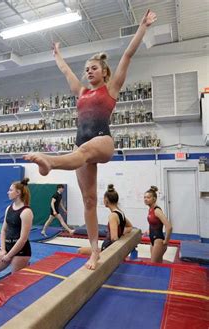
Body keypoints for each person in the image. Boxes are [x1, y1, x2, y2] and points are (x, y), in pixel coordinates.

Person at [24, 10, 157, 270]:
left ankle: (50, 163)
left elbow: (128, 55)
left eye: (93, 68)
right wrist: (57, 55)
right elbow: (65, 72)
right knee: (89, 201)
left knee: (82, 151)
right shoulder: (81, 91)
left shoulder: (112, 87)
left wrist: (142, 27)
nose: (88, 72)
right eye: (86, 69)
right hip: (80, 147)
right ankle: (95, 251)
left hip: (101, 141)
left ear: (104, 71)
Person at [0, 178, 34, 286]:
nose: (8, 192)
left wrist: (9, 255)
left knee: (15, 283)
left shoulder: (26, 212)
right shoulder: (9, 208)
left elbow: (23, 238)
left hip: (20, 251)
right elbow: (3, 230)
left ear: (18, 193)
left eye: (10, 190)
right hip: (7, 248)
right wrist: (3, 250)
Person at [78, 184, 133, 255]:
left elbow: (114, 238)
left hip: (107, 249)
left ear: (106, 200)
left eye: (103, 199)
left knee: (80, 250)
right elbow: (130, 227)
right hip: (109, 247)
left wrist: (113, 253)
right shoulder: (121, 213)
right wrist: (122, 232)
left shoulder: (112, 216)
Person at [144, 186, 172, 263]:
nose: (145, 199)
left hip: (158, 240)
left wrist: (166, 241)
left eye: (148, 197)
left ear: (154, 199)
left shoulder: (157, 210)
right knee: (158, 264)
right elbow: (154, 223)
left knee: (153, 264)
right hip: (152, 239)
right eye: (145, 197)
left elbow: (169, 226)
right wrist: (148, 230)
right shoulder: (150, 209)